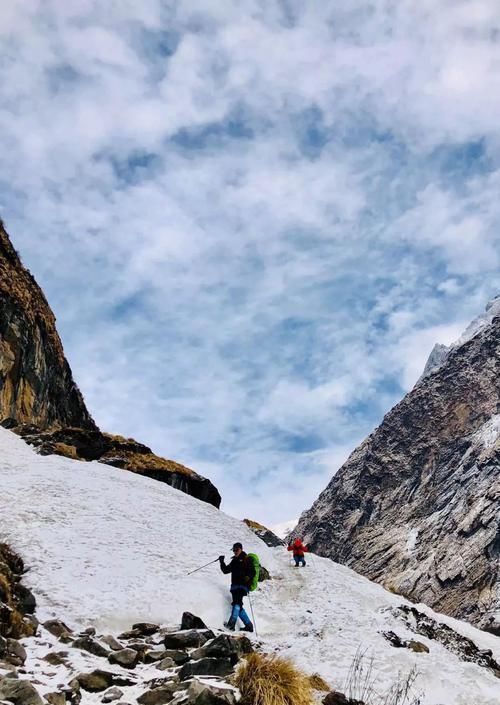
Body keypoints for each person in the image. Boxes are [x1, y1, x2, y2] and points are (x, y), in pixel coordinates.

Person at [219, 542, 255, 632]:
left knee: (237, 603)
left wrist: (247, 577)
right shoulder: (234, 561)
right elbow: (226, 570)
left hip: (242, 586)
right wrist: (222, 561)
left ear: (241, 549)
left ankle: (231, 624)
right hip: (235, 586)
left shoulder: (247, 559)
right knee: (239, 605)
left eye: (237, 550)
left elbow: (253, 572)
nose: (235, 552)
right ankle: (249, 625)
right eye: (234, 550)